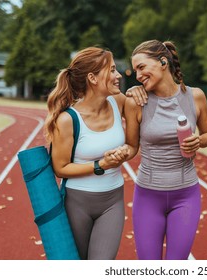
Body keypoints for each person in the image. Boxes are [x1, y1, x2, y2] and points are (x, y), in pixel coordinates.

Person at [44, 46, 144, 260]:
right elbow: (60, 168)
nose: (118, 76)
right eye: (112, 70)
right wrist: (100, 165)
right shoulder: (68, 119)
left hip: (113, 201)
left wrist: (124, 153)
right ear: (93, 78)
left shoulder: (118, 103)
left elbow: (133, 146)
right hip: (77, 203)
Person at [123, 39, 207, 260]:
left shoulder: (196, 96)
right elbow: (132, 146)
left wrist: (199, 141)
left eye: (142, 67)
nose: (138, 75)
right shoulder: (137, 101)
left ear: (163, 62)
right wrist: (110, 157)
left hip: (186, 196)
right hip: (147, 196)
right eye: (135, 70)